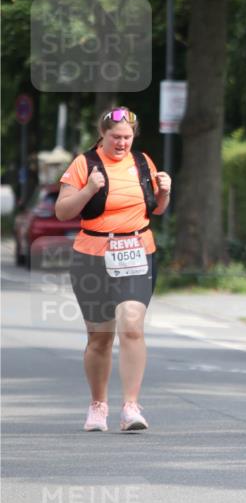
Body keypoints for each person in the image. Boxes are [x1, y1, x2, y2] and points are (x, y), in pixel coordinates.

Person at [55, 107, 171, 433]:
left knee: (132, 326)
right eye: (115, 137)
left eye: (127, 137)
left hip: (137, 251)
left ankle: (131, 407)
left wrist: (166, 190)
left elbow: (156, 208)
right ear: (102, 135)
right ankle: (98, 405)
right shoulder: (84, 163)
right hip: (92, 254)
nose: (122, 143)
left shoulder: (143, 162)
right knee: (100, 337)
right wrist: (89, 189)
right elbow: (63, 211)